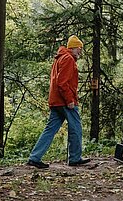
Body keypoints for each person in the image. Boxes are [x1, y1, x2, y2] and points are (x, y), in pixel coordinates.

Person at [27, 35, 90, 168]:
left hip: (56, 101)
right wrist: (70, 100)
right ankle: (74, 158)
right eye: (79, 48)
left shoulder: (60, 58)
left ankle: (35, 157)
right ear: (72, 48)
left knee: (50, 129)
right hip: (65, 101)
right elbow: (62, 83)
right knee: (76, 128)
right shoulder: (68, 59)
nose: (80, 51)